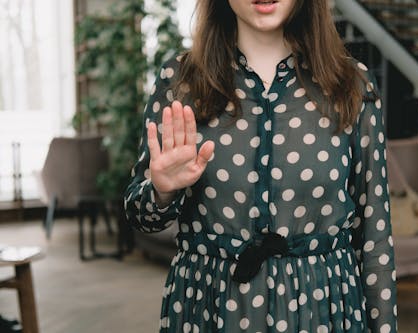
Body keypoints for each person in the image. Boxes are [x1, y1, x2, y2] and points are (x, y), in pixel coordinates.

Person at [124, 0, 397, 332]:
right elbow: (142, 216)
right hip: (211, 308)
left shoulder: (351, 86)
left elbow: (375, 236)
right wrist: (162, 190)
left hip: (322, 309)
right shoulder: (179, 80)